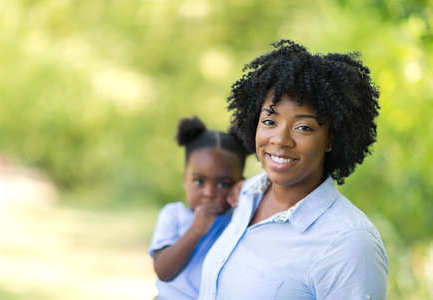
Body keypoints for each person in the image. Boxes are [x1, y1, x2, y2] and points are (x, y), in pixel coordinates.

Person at [199, 39, 388, 300]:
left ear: (331, 138)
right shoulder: (247, 196)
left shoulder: (348, 243)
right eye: (269, 121)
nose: (280, 139)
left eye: (303, 127)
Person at [149, 116, 247, 300]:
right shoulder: (173, 215)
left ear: (238, 184)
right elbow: (163, 271)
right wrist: (195, 231)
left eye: (223, 184)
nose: (208, 192)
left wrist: (246, 195)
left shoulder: (240, 218)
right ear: (185, 179)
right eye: (199, 181)